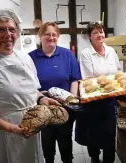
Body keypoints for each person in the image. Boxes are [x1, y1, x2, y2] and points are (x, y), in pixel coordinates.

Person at [0, 8, 61, 163]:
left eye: (12, 29)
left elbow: (33, 90)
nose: (8, 35)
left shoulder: (24, 58)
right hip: (2, 134)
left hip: (30, 127)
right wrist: (10, 127)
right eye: (1, 30)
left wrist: (42, 99)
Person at [29, 22, 81, 163]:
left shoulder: (67, 54)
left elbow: (75, 79)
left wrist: (72, 98)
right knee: (47, 140)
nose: (51, 37)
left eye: (54, 34)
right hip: (43, 108)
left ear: (58, 36)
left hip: (65, 108)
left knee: (65, 140)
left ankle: (67, 160)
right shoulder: (31, 57)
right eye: (47, 34)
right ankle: (49, 160)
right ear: (40, 36)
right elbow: (27, 84)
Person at [76, 21, 122, 163]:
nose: (99, 34)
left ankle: (108, 160)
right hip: (93, 102)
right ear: (89, 36)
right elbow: (88, 79)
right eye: (95, 32)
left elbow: (119, 71)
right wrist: (110, 83)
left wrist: (118, 84)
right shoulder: (86, 54)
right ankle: (94, 159)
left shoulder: (111, 51)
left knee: (110, 134)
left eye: (101, 31)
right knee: (93, 135)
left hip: (110, 101)